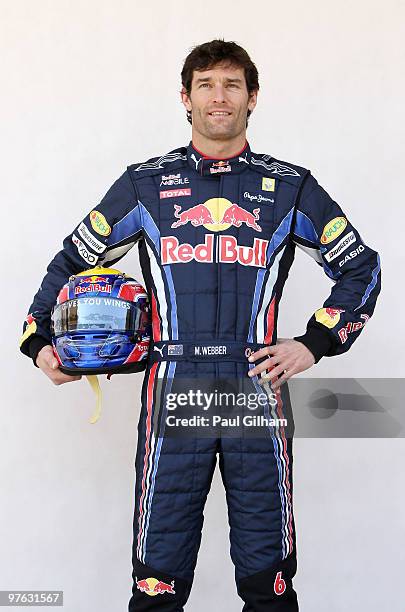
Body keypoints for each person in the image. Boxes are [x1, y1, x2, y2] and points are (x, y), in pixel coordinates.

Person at [19, 39, 381, 611]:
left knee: (269, 579)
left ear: (253, 98)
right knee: (158, 577)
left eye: (232, 84)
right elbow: (72, 261)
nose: (220, 96)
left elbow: (360, 267)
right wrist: (39, 339)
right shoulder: (145, 185)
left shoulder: (290, 187)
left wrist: (314, 344)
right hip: (174, 385)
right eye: (207, 84)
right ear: (185, 98)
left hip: (255, 388)